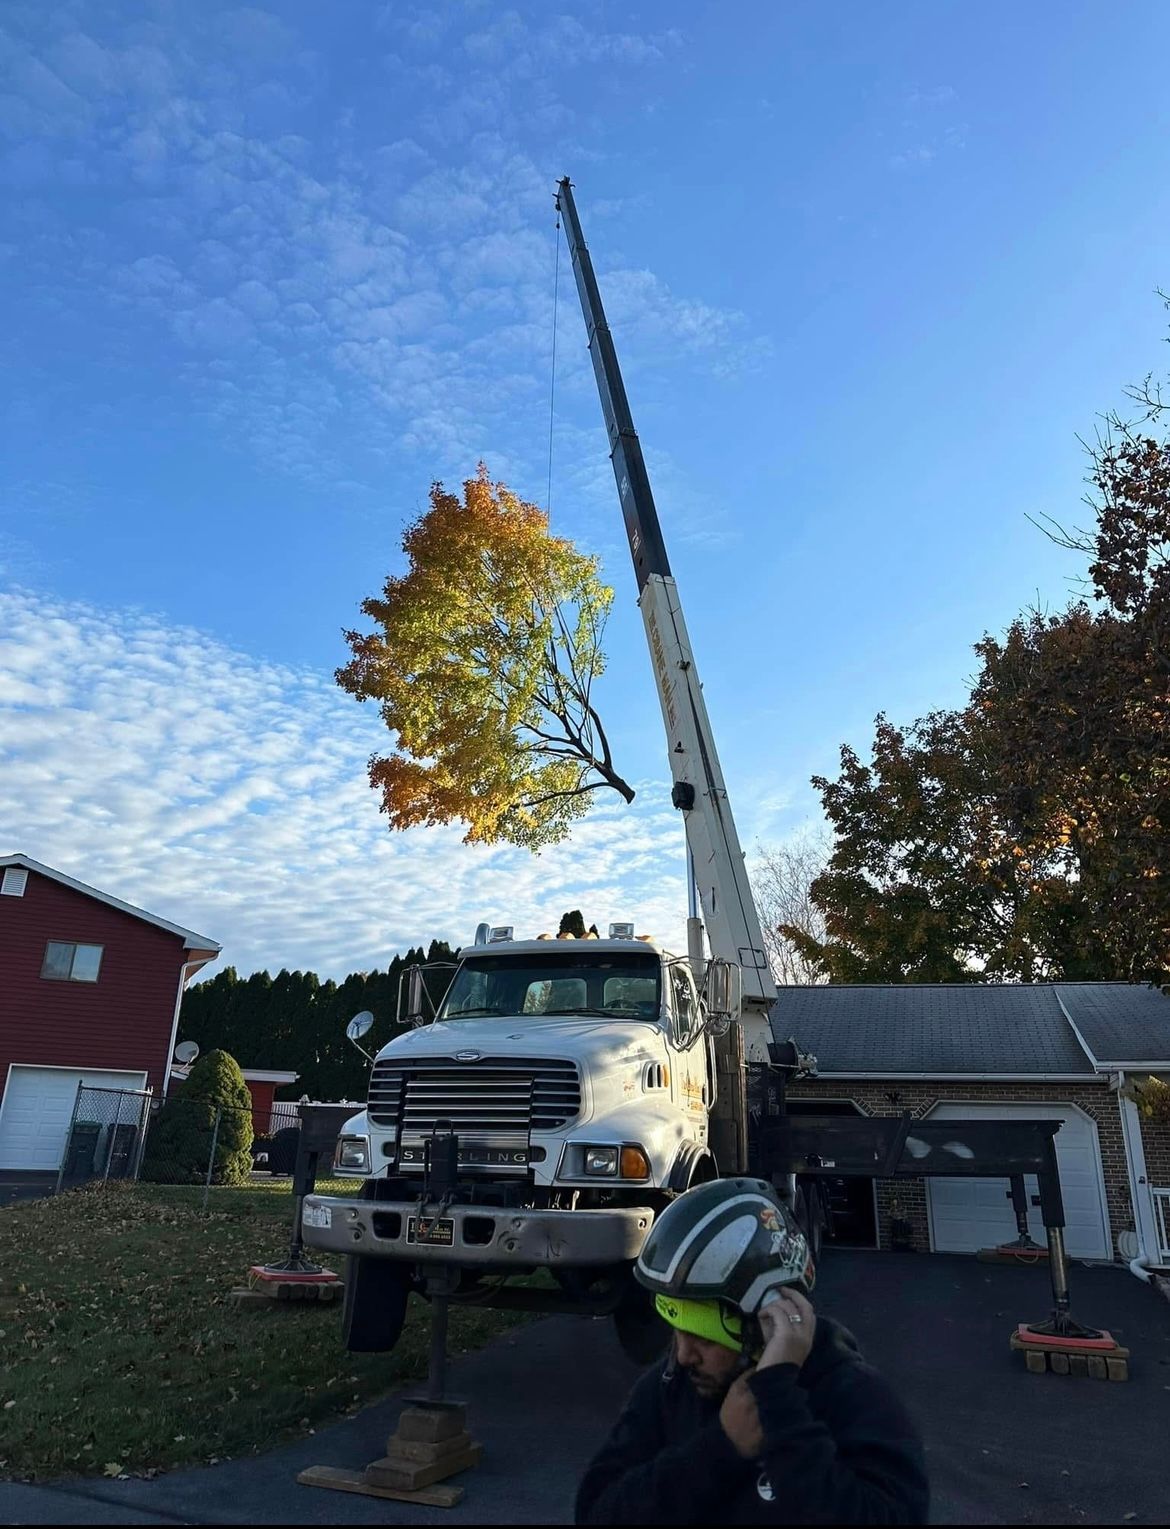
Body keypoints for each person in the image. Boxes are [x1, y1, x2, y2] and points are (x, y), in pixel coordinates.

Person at [575, 1177, 929, 1525]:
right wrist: (719, 1449)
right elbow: (596, 1512)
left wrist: (780, 1408)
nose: (683, 1356)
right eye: (676, 1330)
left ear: (767, 1321)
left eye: (705, 1338)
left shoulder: (852, 1396)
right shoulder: (669, 1389)